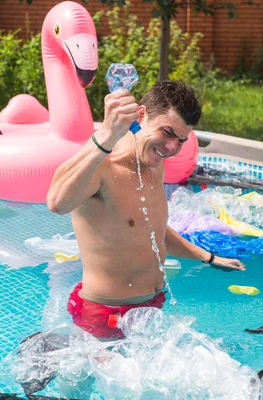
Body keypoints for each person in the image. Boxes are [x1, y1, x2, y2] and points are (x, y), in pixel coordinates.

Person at [47, 80, 245, 340]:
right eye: (167, 132)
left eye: (181, 140)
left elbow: (151, 231)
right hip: (106, 315)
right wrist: (106, 133)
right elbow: (57, 202)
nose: (172, 147)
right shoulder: (104, 166)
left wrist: (207, 257)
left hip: (152, 305)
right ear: (141, 115)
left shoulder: (153, 164)